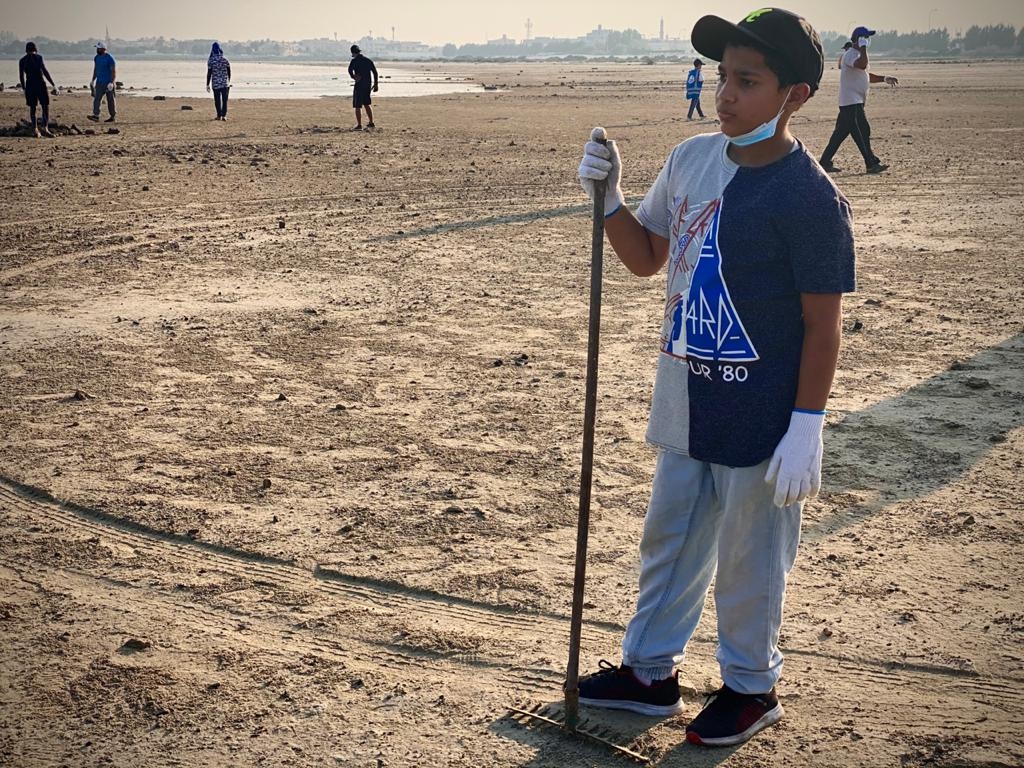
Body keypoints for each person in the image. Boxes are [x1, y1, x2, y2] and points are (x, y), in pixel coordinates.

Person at [576, 7, 855, 748]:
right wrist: (610, 200)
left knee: (750, 559)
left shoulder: (810, 197)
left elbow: (823, 325)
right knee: (669, 540)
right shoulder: (691, 159)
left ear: (794, 95)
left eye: (747, 81)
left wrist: (807, 424)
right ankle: (649, 674)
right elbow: (646, 258)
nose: (725, 94)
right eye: (722, 75)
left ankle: (751, 687)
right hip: (685, 396)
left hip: (763, 417)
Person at [819, 26, 899, 174]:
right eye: (866, 38)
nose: (868, 40)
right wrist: (863, 47)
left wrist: (884, 78)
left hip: (854, 101)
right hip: (850, 102)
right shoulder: (851, 54)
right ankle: (870, 163)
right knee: (861, 132)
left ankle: (824, 162)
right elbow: (862, 65)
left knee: (841, 133)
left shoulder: (858, 55)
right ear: (859, 39)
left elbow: (865, 74)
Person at [19, 41, 57, 138]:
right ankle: (45, 127)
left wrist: (24, 88)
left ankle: (35, 129)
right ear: (35, 49)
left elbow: (21, 76)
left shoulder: (22, 60)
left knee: (33, 108)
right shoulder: (39, 58)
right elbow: (45, 71)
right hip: (40, 84)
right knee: (45, 106)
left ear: (26, 50)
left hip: (30, 85)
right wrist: (53, 84)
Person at [347, 45, 378, 130]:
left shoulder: (354, 61)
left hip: (359, 84)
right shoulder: (368, 60)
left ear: (353, 53)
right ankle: (371, 122)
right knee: (367, 104)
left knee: (358, 106)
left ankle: (359, 125)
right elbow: (375, 72)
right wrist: (376, 84)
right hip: (367, 85)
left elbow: (349, 70)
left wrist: (354, 77)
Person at [89, 42, 117, 123]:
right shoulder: (96, 58)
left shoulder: (110, 58)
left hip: (108, 83)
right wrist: (93, 80)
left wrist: (111, 82)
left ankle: (112, 116)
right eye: (97, 48)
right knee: (97, 99)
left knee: (110, 100)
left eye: (99, 48)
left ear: (103, 49)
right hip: (99, 82)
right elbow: (96, 69)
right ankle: (96, 115)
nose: (97, 50)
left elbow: (113, 71)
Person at [206, 42, 232, 120]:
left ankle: (219, 115)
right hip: (225, 83)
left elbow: (209, 73)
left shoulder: (211, 61)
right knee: (224, 100)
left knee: (217, 100)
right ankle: (224, 116)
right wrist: (228, 80)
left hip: (216, 83)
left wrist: (207, 84)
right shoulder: (225, 60)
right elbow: (229, 71)